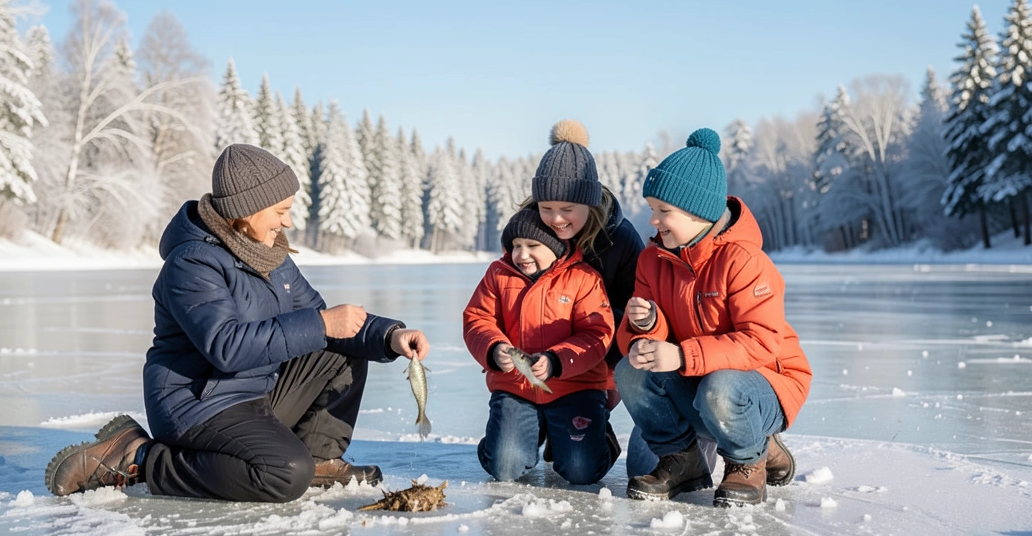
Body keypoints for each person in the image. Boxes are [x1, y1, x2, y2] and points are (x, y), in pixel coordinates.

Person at [46, 144, 431, 502]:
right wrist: (322, 323)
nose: (289, 221)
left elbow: (326, 323)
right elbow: (226, 347)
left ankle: (318, 458)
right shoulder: (191, 264)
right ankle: (142, 456)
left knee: (340, 352)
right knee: (283, 474)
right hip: (196, 403)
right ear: (248, 210)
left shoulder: (271, 257)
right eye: (281, 211)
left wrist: (389, 335)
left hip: (253, 393)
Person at [614, 129, 811, 507]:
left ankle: (749, 459)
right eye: (652, 209)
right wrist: (644, 326)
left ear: (697, 211)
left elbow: (761, 342)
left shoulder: (745, 261)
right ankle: (682, 459)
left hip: (762, 385)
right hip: (699, 385)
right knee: (629, 371)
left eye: (663, 211)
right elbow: (636, 343)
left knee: (721, 389)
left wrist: (682, 356)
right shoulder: (652, 261)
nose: (653, 221)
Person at [522, 119, 655, 470]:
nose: (556, 219)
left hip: (598, 356)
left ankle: (590, 429)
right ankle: (547, 424)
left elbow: (635, 311)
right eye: (546, 207)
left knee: (579, 461)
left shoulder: (620, 239)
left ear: (590, 202)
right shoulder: (528, 230)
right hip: (537, 361)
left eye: (567, 210)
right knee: (512, 454)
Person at [463, 208, 619, 485]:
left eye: (533, 246)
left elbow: (597, 333)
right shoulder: (499, 274)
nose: (522, 255)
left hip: (575, 386)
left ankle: (598, 435)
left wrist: (557, 360)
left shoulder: (583, 278)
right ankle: (510, 436)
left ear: (556, 247)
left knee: (582, 471)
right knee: (505, 466)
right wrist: (493, 348)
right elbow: (477, 319)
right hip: (516, 386)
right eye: (516, 246)